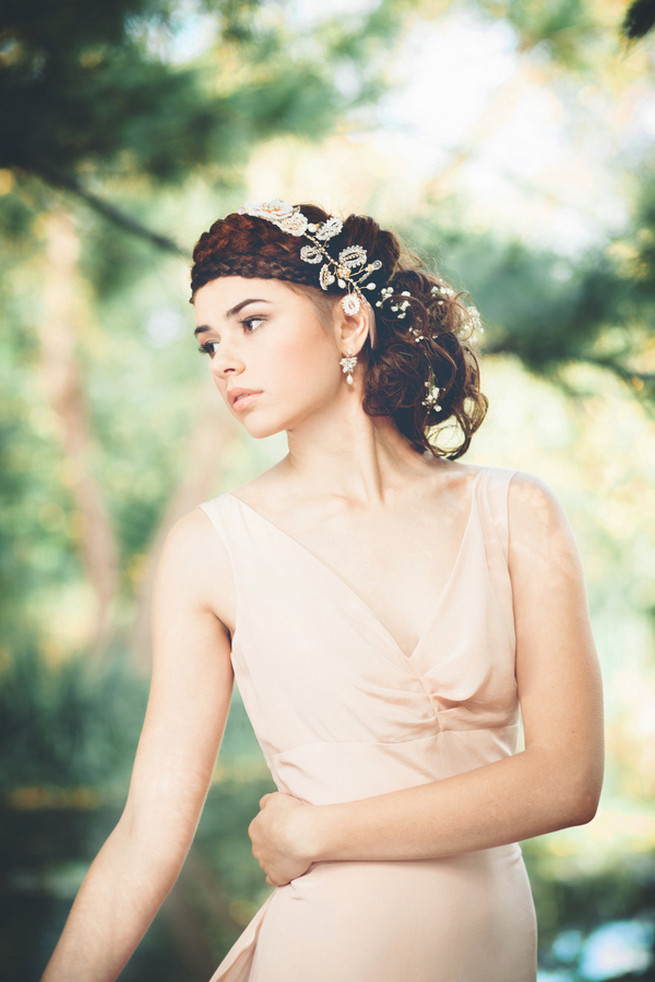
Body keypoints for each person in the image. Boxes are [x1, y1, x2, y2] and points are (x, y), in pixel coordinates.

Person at [41, 200, 604, 982]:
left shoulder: (515, 513)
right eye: (208, 341)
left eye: (252, 322)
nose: (223, 362)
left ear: (348, 324)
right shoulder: (211, 550)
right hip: (322, 954)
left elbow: (566, 783)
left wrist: (316, 834)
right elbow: (146, 834)